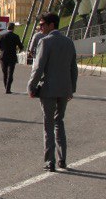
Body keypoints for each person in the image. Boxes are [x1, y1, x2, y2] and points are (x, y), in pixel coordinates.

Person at [27, 12, 77, 172]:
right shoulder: (69, 42)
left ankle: (50, 161)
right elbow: (73, 68)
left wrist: (31, 86)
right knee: (59, 122)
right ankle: (62, 159)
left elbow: (38, 67)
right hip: (64, 89)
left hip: (48, 89)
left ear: (51, 25)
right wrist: (72, 89)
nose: (40, 27)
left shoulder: (45, 42)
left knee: (48, 125)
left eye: (42, 24)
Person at [0, 23, 24, 94]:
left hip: (3, 56)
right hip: (12, 56)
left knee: (5, 73)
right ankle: (8, 89)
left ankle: (6, 87)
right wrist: (17, 48)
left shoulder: (2, 35)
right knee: (10, 73)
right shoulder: (16, 36)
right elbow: (21, 46)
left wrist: (3, 47)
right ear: (13, 28)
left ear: (7, 28)